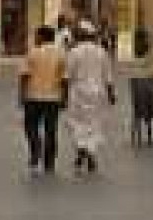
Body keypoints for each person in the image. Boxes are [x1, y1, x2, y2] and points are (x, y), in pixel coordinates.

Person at [63, 21, 118, 175]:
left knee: (77, 123)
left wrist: (64, 96)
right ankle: (90, 153)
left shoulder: (74, 52)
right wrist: (111, 94)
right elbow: (108, 76)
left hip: (78, 92)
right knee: (94, 124)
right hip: (97, 93)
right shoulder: (101, 52)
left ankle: (82, 151)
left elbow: (67, 76)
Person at [21, 25, 66, 174]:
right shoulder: (61, 54)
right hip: (53, 97)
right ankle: (49, 161)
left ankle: (36, 149)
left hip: (33, 96)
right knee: (51, 129)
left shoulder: (33, 52)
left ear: (42, 37)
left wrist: (22, 94)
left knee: (30, 126)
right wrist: (64, 97)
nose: (35, 38)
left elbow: (25, 75)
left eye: (36, 35)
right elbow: (64, 79)